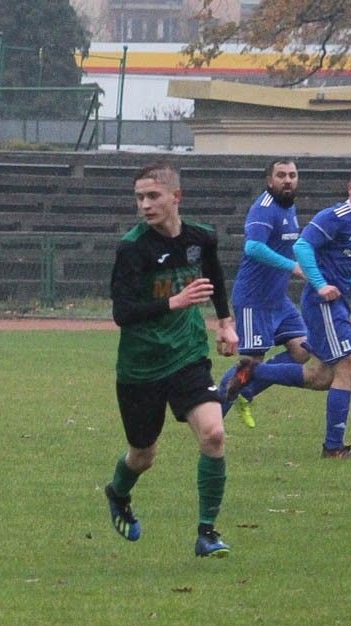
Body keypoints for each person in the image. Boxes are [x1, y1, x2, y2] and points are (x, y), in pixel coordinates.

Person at [103, 161, 239, 558]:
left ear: (175, 197)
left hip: (187, 356)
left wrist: (225, 323)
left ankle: (207, 532)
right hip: (140, 365)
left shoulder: (201, 237)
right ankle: (118, 492)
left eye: (153, 196)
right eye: (139, 198)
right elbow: (122, 313)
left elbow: (212, 276)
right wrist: (174, 302)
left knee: (213, 434)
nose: (144, 205)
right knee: (143, 454)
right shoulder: (132, 248)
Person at [244, 164, 351, 459]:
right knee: (348, 369)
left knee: (319, 376)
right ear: (350, 188)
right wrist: (319, 285)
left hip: (337, 300)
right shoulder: (335, 216)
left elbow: (337, 261)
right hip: (324, 304)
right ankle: (333, 448)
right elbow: (304, 247)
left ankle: (254, 370)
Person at [216, 159, 315, 430]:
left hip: (277, 300)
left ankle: (246, 392)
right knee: (250, 363)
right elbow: (254, 248)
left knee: (303, 350)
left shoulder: (289, 206)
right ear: (269, 180)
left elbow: (288, 246)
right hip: (253, 299)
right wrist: (292, 267)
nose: (288, 180)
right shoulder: (264, 208)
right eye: (281, 175)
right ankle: (212, 420)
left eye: (293, 175)